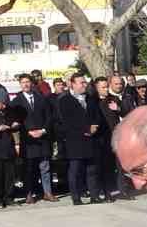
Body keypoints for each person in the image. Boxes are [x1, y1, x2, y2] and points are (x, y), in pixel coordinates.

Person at [57, 72, 103, 204]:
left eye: (85, 82)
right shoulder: (64, 100)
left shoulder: (90, 98)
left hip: (91, 140)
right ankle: (76, 197)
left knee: (92, 169)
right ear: (73, 84)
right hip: (75, 140)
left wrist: (95, 125)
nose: (84, 84)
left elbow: (97, 115)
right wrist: (85, 129)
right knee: (75, 170)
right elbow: (67, 121)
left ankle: (94, 196)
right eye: (81, 82)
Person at [12, 74, 55, 203]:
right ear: (20, 84)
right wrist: (28, 132)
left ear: (32, 83)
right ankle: (29, 194)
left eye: (28, 82)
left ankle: (48, 192)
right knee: (29, 169)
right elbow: (15, 121)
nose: (25, 84)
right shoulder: (16, 101)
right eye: (23, 82)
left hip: (42, 138)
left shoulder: (41, 98)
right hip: (28, 140)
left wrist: (43, 130)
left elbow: (49, 117)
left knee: (45, 167)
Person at [94, 76, 123, 200]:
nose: (106, 89)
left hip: (115, 136)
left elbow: (127, 112)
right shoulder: (93, 101)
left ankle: (118, 190)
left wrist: (118, 109)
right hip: (100, 138)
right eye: (103, 87)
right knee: (102, 166)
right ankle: (103, 191)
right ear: (96, 88)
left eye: (107, 86)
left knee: (116, 165)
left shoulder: (113, 99)